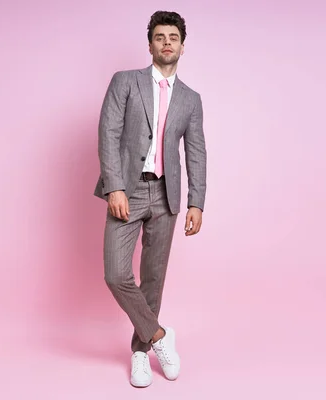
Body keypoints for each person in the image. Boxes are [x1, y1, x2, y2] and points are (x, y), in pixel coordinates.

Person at [93, 10, 207, 387]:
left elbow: (195, 152)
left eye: (173, 37)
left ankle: (139, 353)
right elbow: (108, 133)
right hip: (128, 188)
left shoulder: (191, 99)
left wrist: (196, 202)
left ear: (182, 46)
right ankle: (159, 336)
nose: (167, 42)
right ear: (150, 45)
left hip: (166, 195)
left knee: (153, 279)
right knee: (116, 273)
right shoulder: (125, 82)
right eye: (160, 37)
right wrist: (115, 187)